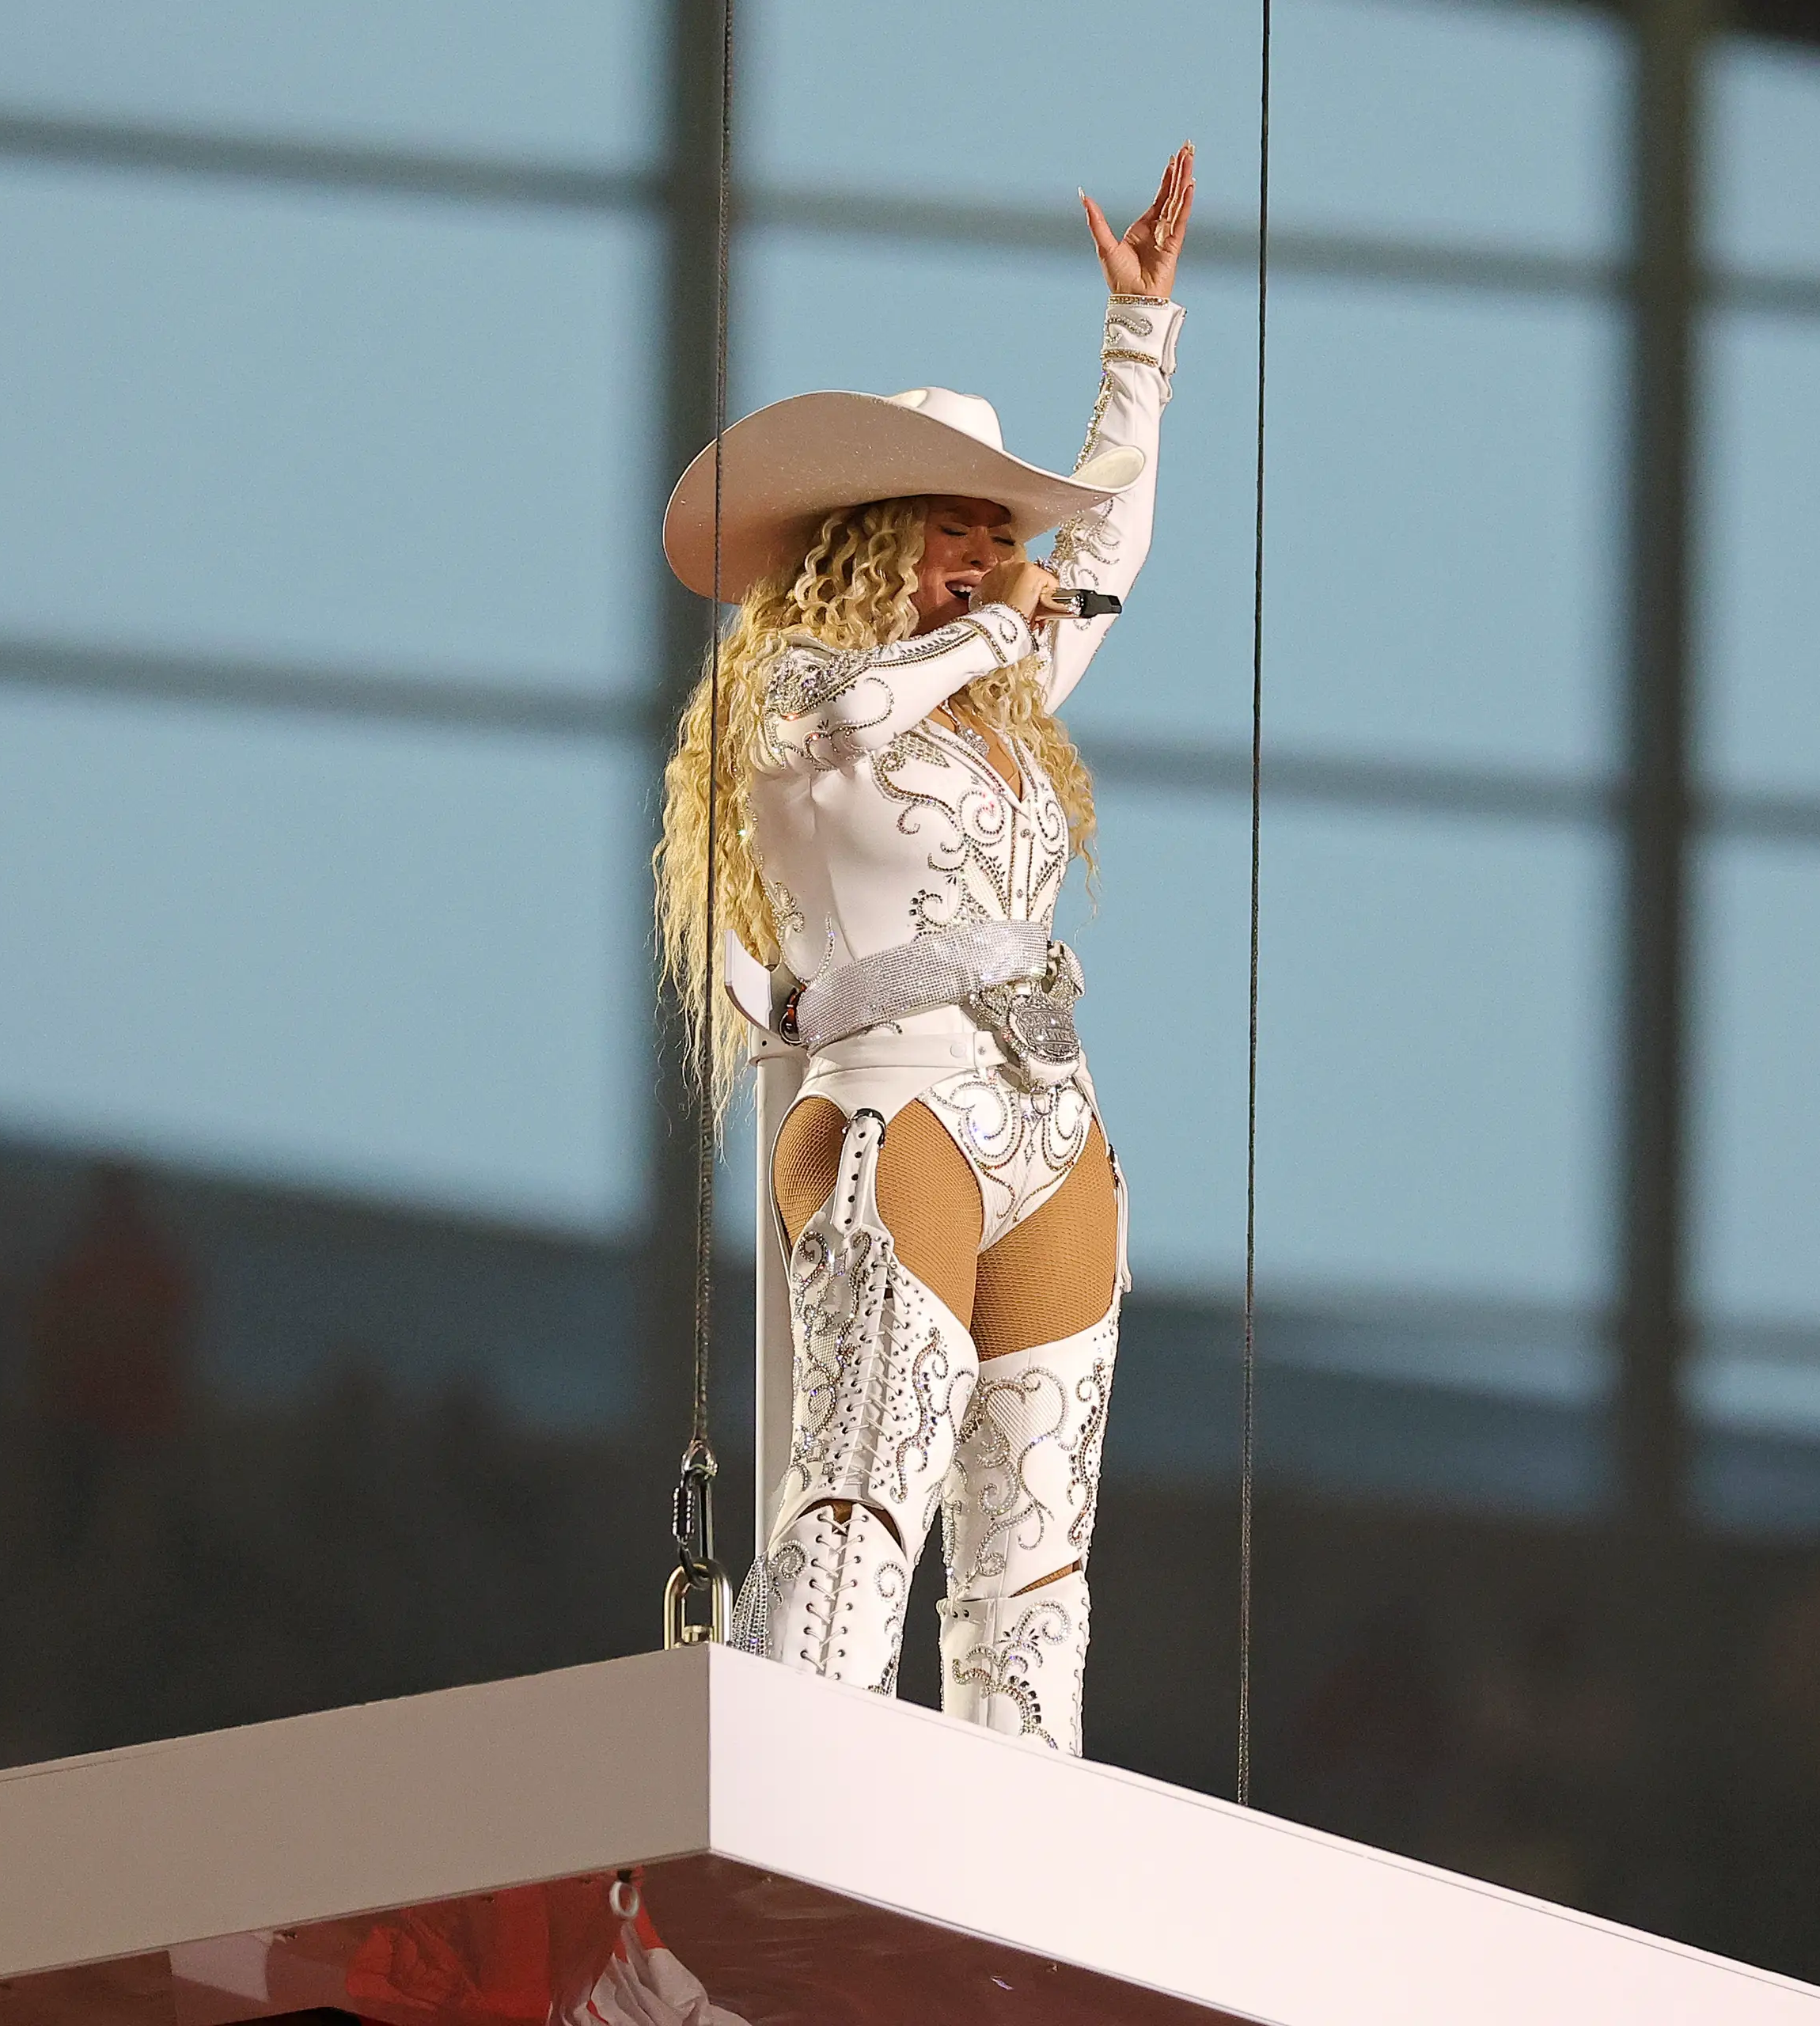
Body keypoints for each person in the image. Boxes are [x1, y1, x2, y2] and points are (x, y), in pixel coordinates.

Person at [654, 145, 1194, 1753]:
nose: (990, 555)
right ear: (871, 537)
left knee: (1035, 1572)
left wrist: (1141, 339)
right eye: (954, 528)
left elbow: (1104, 549)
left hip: (1049, 1117)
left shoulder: (1003, 698)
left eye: (991, 529)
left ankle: (998, 1916)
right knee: (860, 1501)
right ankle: (793, 1821)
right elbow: (837, 718)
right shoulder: (796, 692)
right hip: (893, 1102)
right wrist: (991, 621)